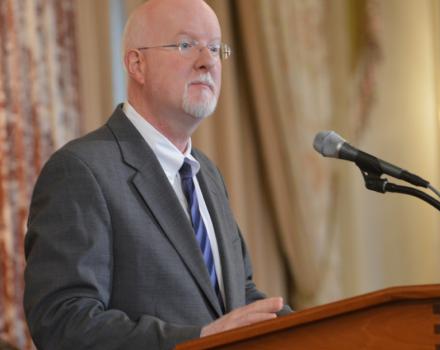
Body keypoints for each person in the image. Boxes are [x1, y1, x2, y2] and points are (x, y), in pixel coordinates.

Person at [23, 0, 290, 349]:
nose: (207, 61)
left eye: (214, 48)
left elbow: (238, 296)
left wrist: (322, 331)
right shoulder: (81, 171)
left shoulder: (206, 175)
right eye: (185, 45)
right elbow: (62, 321)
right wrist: (197, 340)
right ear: (137, 64)